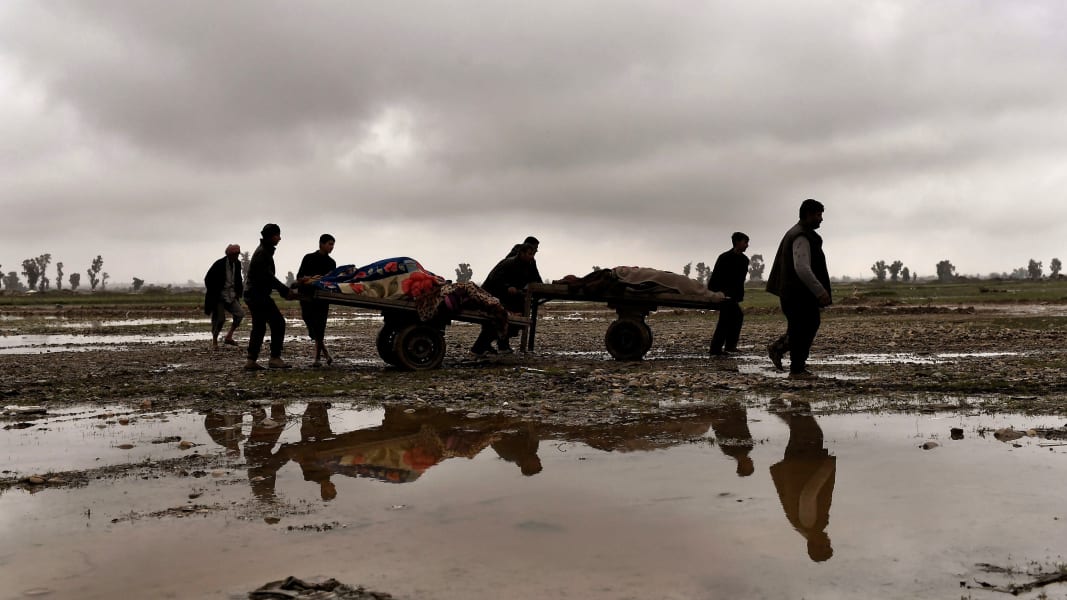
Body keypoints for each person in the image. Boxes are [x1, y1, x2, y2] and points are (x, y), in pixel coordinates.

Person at [765, 199, 832, 379]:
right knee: (804, 327)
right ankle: (796, 370)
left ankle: (779, 350)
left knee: (802, 327)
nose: (821, 219)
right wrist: (820, 291)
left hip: (795, 294)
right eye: (818, 215)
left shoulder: (798, 233)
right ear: (809, 214)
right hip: (798, 294)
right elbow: (802, 267)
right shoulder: (801, 235)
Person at [470, 243, 542, 357]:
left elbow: (536, 279)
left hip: (507, 298)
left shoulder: (529, 264)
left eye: (533, 254)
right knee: (500, 319)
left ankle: (494, 347)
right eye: (530, 254)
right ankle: (479, 349)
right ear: (522, 253)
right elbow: (494, 280)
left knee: (509, 319)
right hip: (492, 296)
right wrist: (507, 287)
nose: (532, 256)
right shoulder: (509, 262)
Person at [243, 223, 296, 371]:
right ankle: (274, 358)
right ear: (272, 236)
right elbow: (268, 277)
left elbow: (268, 278)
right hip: (257, 294)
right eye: (278, 235)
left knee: (259, 327)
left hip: (253, 294)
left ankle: (251, 360)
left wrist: (282, 290)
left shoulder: (264, 251)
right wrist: (285, 291)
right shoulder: (262, 253)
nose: (279, 238)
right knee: (278, 323)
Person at [296, 234, 337, 367]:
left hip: (323, 298)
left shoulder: (332, 263)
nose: (331, 247)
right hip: (307, 296)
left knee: (320, 327)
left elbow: (332, 281)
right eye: (329, 244)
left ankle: (317, 358)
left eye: (333, 245)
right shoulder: (309, 258)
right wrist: (313, 278)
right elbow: (300, 277)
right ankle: (325, 353)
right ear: (321, 244)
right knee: (310, 322)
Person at [707, 232, 750, 356]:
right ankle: (718, 348)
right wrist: (717, 293)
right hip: (723, 295)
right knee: (728, 318)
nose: (747, 245)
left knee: (734, 317)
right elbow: (716, 277)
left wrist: (736, 296)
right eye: (745, 242)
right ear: (737, 242)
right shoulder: (724, 258)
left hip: (733, 296)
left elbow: (740, 280)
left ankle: (727, 346)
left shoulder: (744, 260)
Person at [203, 244, 244, 351]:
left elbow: (239, 279)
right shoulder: (219, 264)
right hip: (219, 297)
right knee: (220, 319)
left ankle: (229, 336)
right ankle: (215, 341)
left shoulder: (238, 264)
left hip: (231, 295)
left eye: (237, 254)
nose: (236, 256)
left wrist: (238, 292)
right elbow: (208, 279)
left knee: (240, 314)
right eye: (235, 254)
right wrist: (215, 292)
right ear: (229, 255)